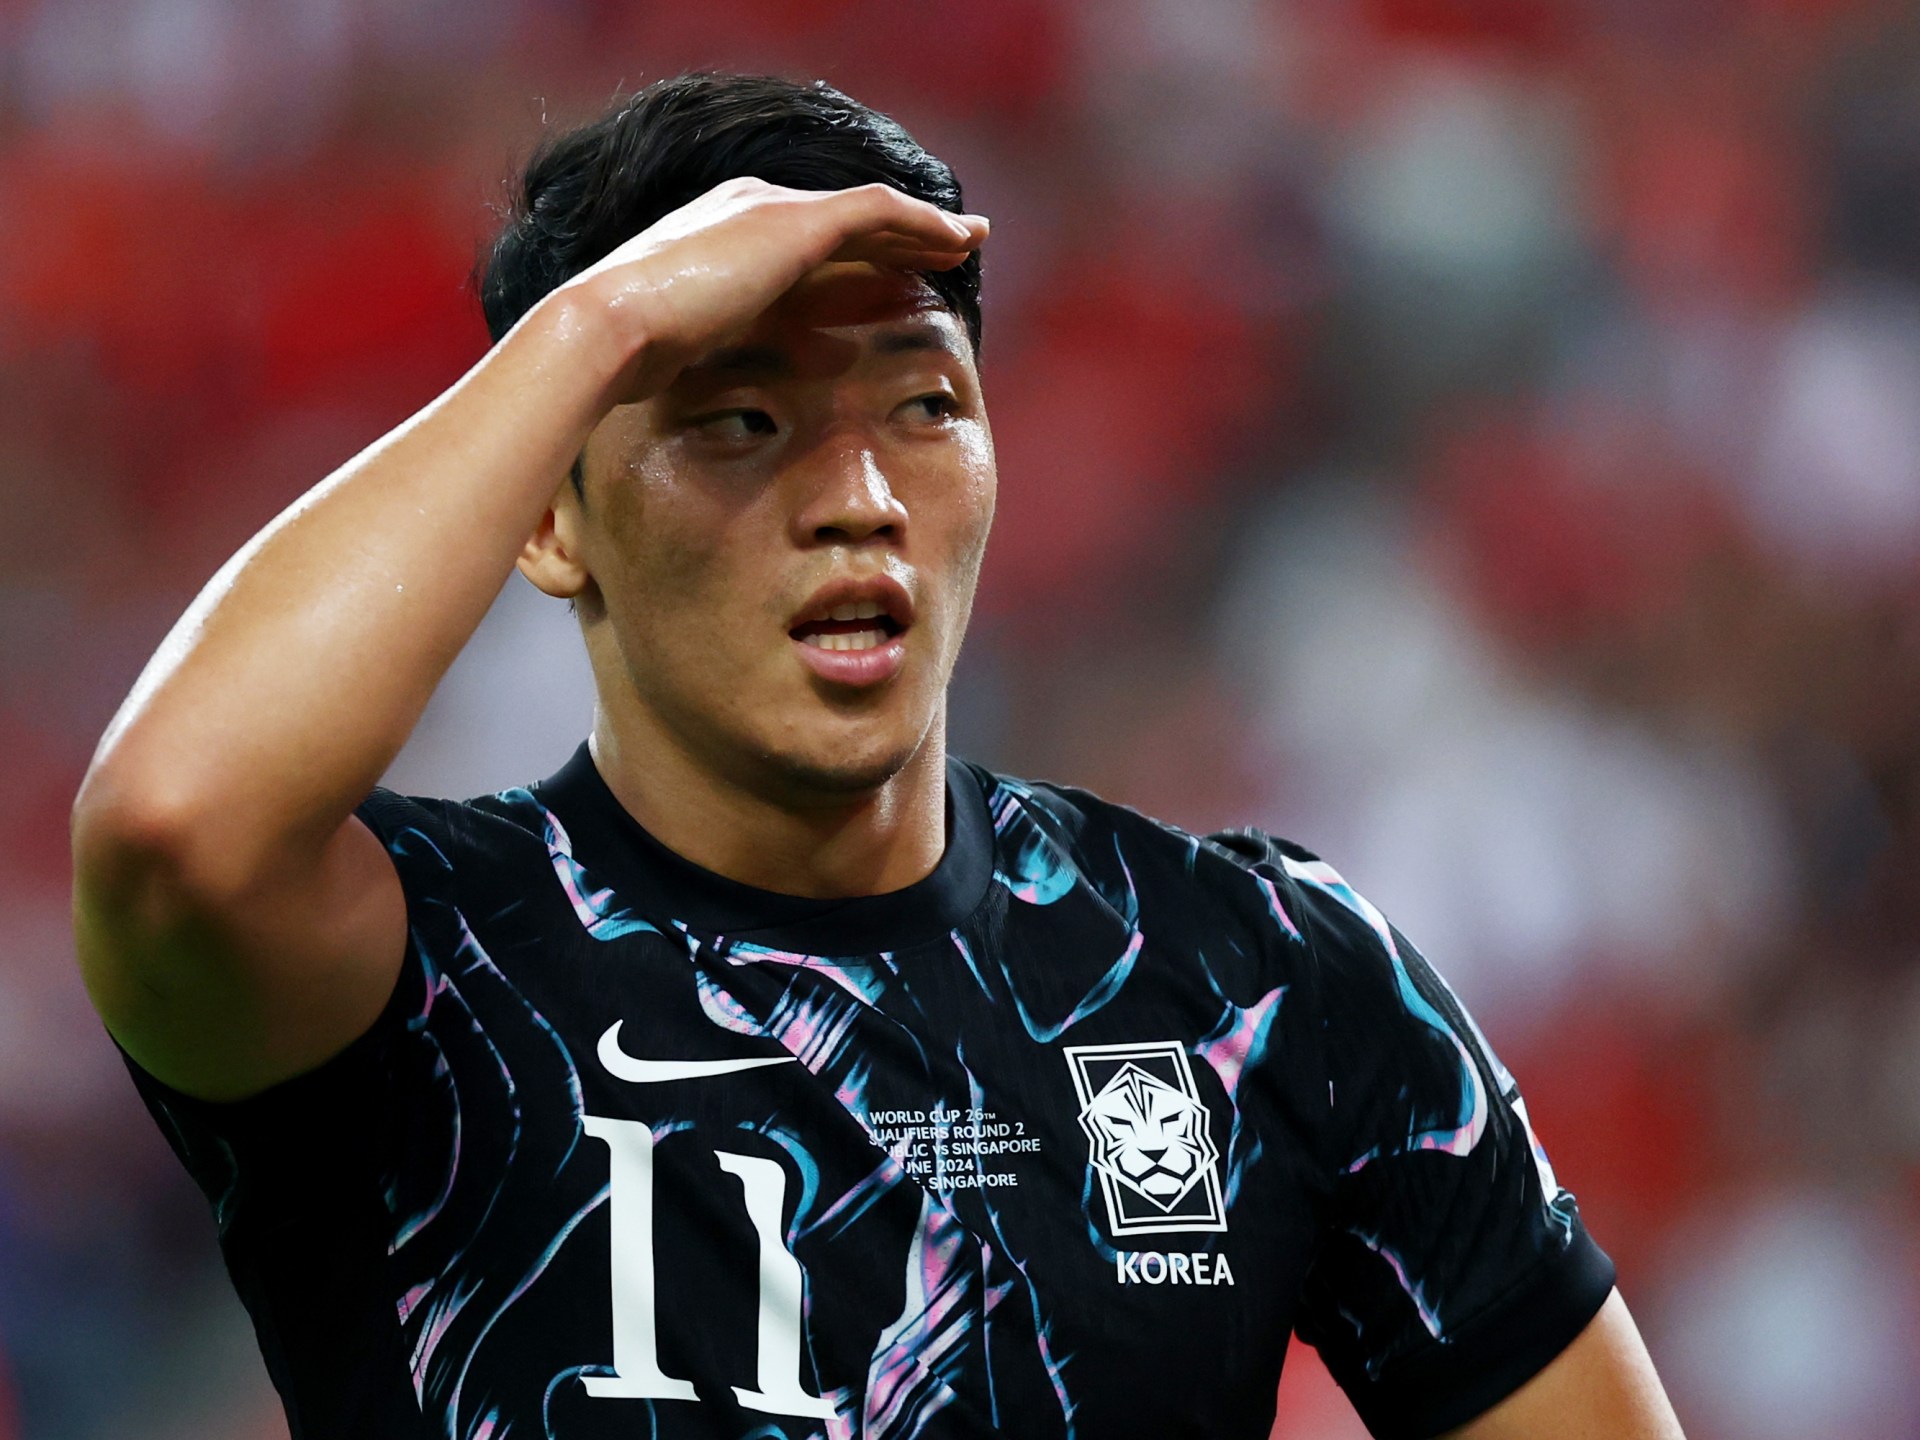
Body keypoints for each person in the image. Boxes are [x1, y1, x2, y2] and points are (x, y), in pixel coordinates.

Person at [70, 73, 1686, 1440]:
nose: (860, 497)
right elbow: (169, 830)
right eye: (738, 421)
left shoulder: (1259, 979)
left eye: (923, 406)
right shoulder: (427, 971)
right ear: (550, 519)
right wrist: (607, 320)